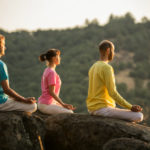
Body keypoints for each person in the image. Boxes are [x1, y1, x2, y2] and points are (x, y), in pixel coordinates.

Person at [86, 40, 143, 122]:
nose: (114, 53)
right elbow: (112, 92)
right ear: (108, 50)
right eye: (113, 50)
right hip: (103, 109)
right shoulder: (107, 68)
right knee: (139, 116)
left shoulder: (93, 67)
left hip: (91, 109)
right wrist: (130, 107)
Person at [0, 34, 37, 113]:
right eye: (3, 45)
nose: (5, 47)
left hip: (3, 99)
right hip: (1, 102)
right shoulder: (1, 65)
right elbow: (6, 90)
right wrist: (24, 100)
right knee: (33, 106)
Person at [38, 48, 75, 114]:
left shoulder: (47, 69)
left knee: (68, 111)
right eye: (58, 56)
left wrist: (61, 104)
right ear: (53, 58)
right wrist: (63, 104)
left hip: (45, 103)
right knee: (69, 113)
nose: (60, 58)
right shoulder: (52, 72)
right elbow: (51, 92)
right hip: (46, 104)